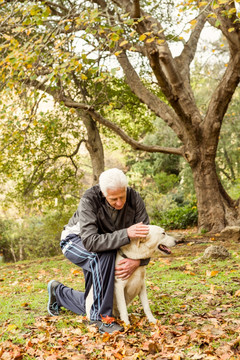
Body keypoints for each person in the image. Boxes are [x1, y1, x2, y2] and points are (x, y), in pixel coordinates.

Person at [47, 168, 149, 334]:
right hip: (75, 241)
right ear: (103, 193)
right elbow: (91, 242)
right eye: (113, 199)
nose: (119, 203)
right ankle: (100, 319)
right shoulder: (89, 199)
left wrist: (139, 261)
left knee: (96, 298)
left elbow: (146, 236)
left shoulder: (134, 198)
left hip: (105, 246)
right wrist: (126, 233)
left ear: (126, 189)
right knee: (103, 257)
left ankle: (58, 293)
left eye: (122, 197)